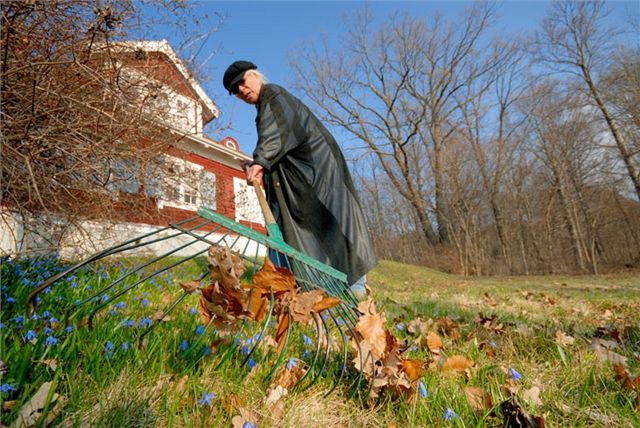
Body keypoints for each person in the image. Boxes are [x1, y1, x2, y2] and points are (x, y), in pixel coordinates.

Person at [222, 60, 377, 296]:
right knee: (289, 238)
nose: (241, 91)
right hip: (300, 187)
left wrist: (261, 160)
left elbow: (276, 133)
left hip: (317, 179)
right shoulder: (265, 109)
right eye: (235, 91)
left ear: (255, 75)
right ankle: (287, 293)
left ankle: (356, 295)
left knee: (337, 231)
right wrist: (259, 163)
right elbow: (278, 139)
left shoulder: (273, 95)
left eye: (242, 82)